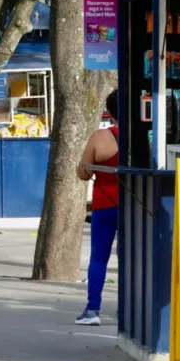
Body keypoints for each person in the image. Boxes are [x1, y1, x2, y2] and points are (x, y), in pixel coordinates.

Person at [74, 90, 120, 326]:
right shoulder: (143, 136)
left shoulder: (100, 137)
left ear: (110, 112)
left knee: (99, 258)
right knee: (132, 259)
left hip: (104, 204)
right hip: (134, 206)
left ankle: (93, 310)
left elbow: (83, 172)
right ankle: (129, 307)